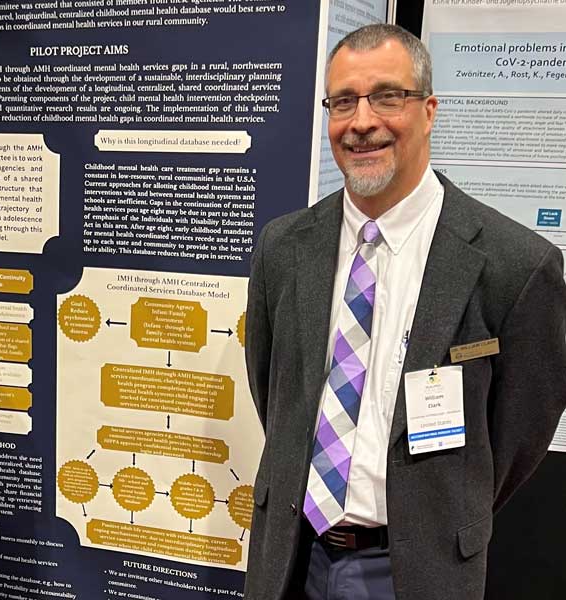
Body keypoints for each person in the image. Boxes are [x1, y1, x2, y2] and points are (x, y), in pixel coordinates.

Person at [243, 24, 566, 600]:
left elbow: (517, 440)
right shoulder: (284, 246)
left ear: (429, 110)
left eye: (388, 96)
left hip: (418, 570)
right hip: (292, 557)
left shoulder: (516, 265)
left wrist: (435, 507)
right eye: (343, 101)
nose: (362, 121)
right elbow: (276, 394)